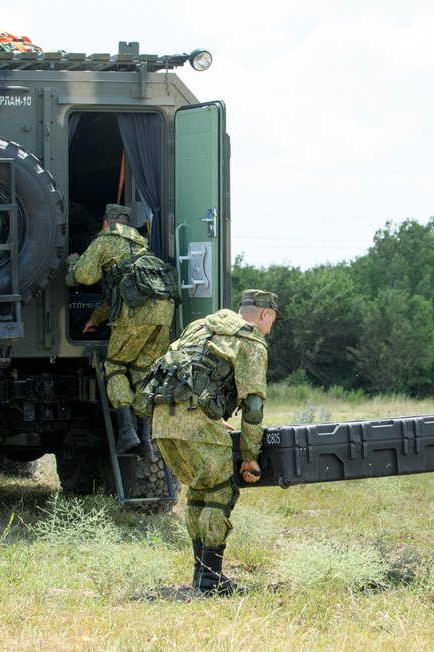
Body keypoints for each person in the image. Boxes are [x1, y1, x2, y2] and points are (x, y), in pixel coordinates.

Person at [142, 289, 283, 595]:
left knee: (198, 490)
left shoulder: (201, 326)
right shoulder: (251, 341)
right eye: (273, 320)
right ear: (265, 315)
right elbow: (253, 406)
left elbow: (190, 372)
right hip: (195, 422)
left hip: (162, 418)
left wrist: (212, 414)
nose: (271, 327)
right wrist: (249, 456)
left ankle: (201, 575)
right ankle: (210, 582)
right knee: (220, 492)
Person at [65, 204, 175, 454]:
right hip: (163, 313)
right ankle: (145, 437)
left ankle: (126, 430)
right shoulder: (143, 245)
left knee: (114, 365)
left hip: (135, 313)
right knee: (142, 371)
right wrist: (96, 318)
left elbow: (82, 277)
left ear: (106, 223)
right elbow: (120, 289)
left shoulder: (104, 241)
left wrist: (71, 263)